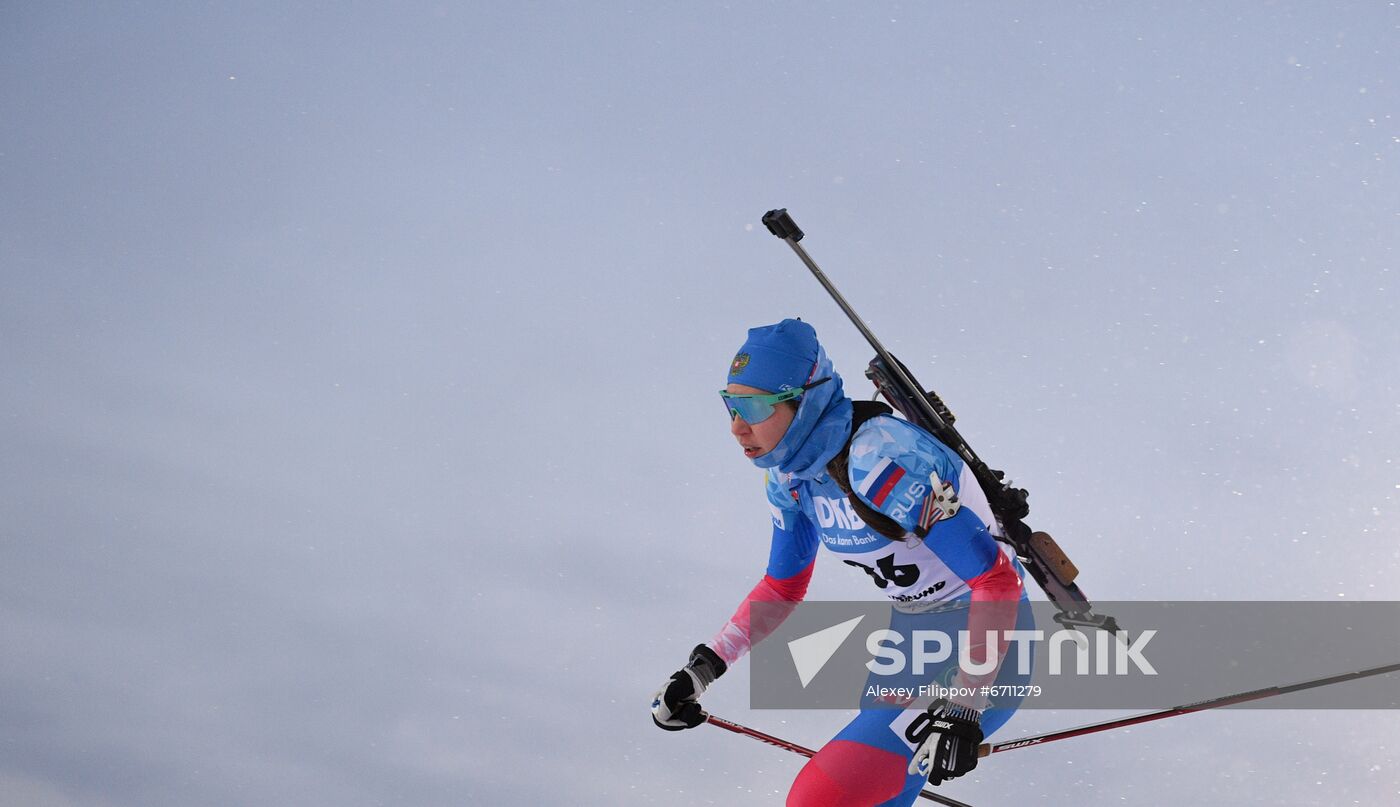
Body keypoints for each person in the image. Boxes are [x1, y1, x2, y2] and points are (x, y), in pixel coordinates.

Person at [651, 318, 1031, 807]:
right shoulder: (791, 478)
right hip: (908, 648)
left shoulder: (881, 461)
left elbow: (996, 580)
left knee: (821, 799)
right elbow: (781, 587)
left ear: (804, 398)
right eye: (729, 404)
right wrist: (703, 668)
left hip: (987, 646)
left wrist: (964, 704)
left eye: (753, 406)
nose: (736, 426)